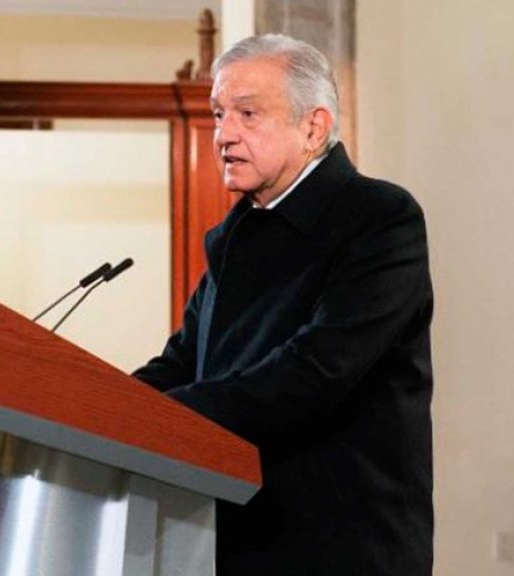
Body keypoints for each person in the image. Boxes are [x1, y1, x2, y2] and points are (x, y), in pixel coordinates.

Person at [133, 34, 433, 576]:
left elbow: (314, 370)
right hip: (231, 537)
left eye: (247, 114)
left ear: (313, 128)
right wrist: (94, 407)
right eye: (219, 114)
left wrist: (154, 421)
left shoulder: (379, 218)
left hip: (340, 548)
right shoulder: (234, 236)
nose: (224, 134)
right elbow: (181, 363)